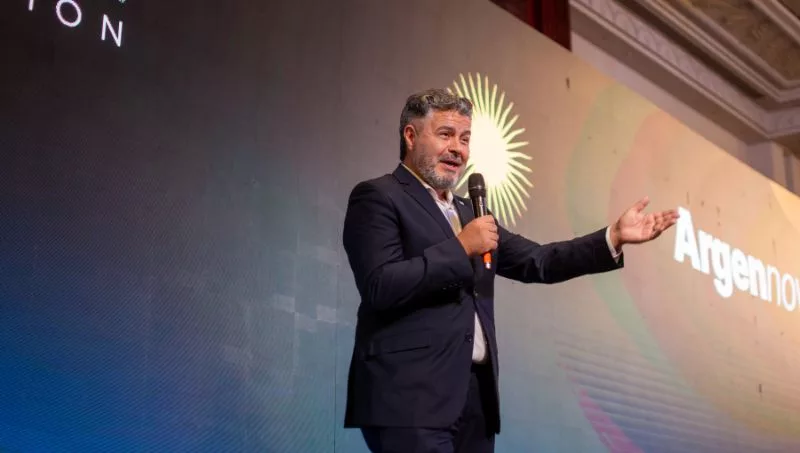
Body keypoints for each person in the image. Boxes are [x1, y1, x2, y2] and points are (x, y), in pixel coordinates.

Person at [341, 88, 678, 453]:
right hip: (408, 397)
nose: (458, 149)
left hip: (474, 400)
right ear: (410, 135)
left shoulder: (472, 213)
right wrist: (460, 248)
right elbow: (381, 285)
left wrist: (612, 236)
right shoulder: (379, 196)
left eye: (465, 139)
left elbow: (539, 261)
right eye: (446, 134)